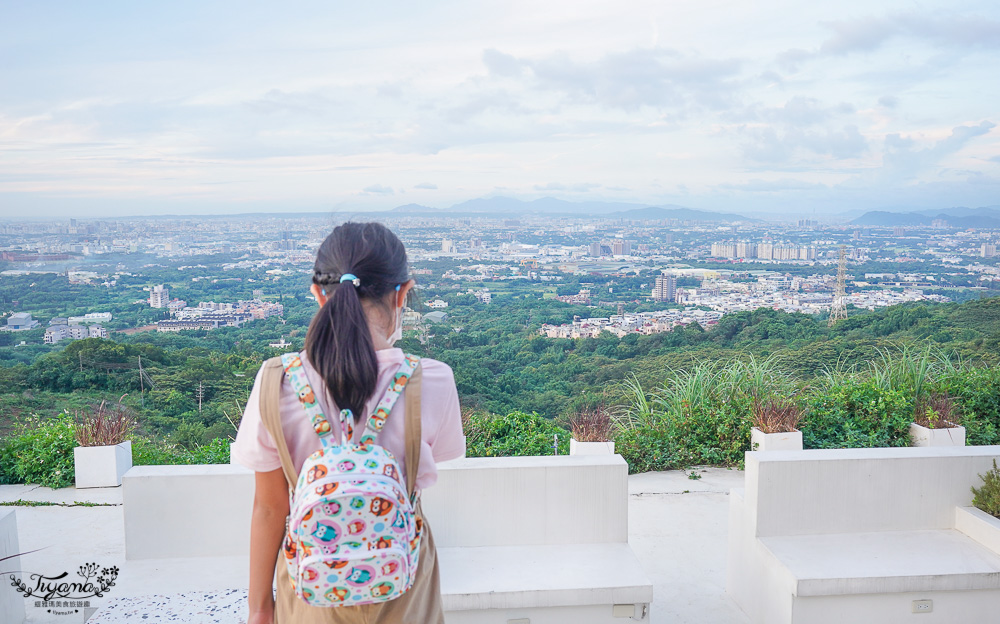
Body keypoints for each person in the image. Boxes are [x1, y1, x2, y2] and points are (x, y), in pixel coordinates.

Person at [232, 221, 465, 624]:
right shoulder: (432, 381)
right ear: (403, 294)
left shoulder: (276, 381)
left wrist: (259, 609)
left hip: (310, 587)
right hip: (403, 583)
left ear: (318, 293)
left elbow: (270, 507)